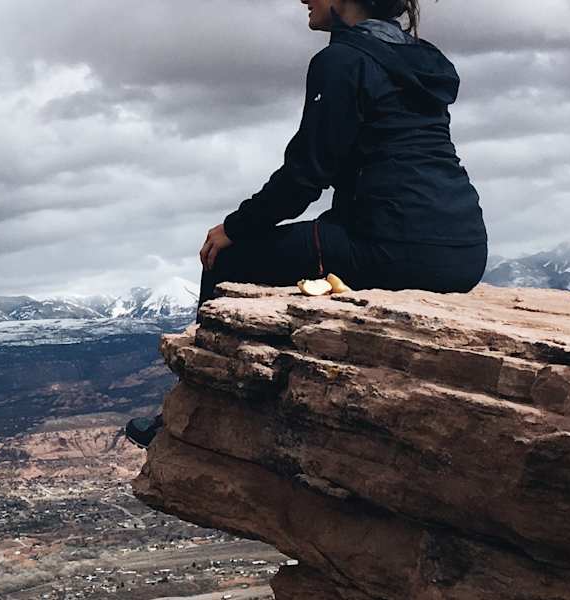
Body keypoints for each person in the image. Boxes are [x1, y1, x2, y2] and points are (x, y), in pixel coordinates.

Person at [127, 0, 487, 448]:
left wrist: (233, 228)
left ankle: (195, 407)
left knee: (225, 259)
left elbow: (304, 178)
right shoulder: (421, 58)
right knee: (308, 239)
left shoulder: (341, 60)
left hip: (392, 246)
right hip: (466, 248)